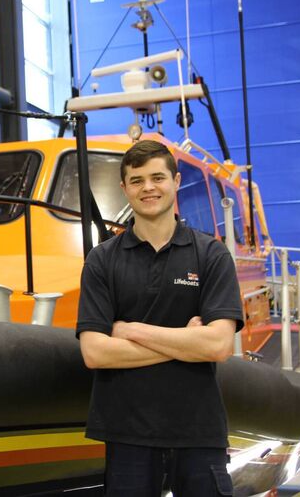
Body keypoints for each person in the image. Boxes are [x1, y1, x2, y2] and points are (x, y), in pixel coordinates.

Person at [76, 139, 242, 496]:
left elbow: (219, 345)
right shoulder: (102, 261)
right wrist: (185, 340)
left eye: (157, 177)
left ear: (176, 181)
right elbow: (95, 353)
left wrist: (132, 330)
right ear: (124, 189)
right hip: (127, 435)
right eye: (136, 180)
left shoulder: (211, 254)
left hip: (198, 431)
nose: (148, 187)